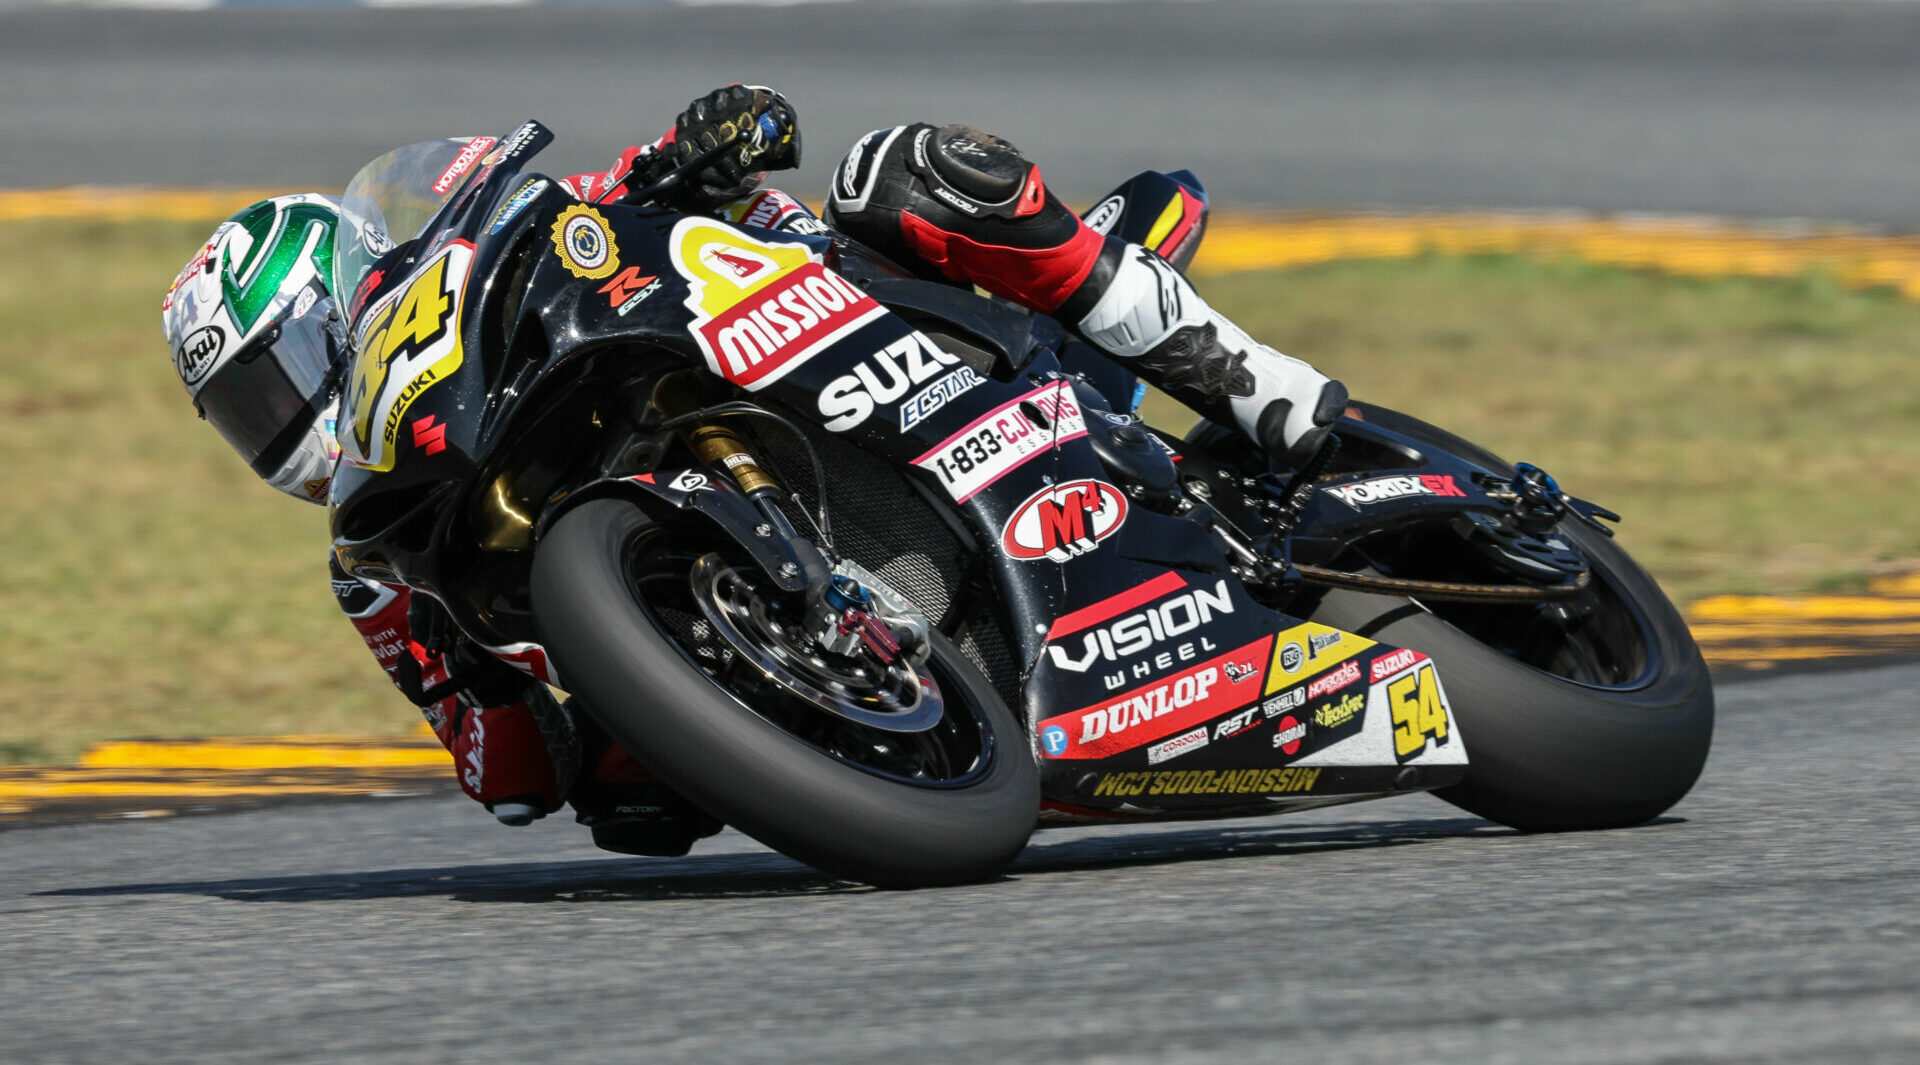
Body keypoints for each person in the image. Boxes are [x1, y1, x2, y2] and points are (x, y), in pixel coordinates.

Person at [160, 85, 1346, 848]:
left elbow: (614, 196)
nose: (275, 428)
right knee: (632, 802)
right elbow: (507, 777)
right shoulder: (375, 561)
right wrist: (525, 693)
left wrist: (698, 141)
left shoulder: (500, 268)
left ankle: (1248, 377)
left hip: (857, 317)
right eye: (243, 415)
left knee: (907, 166)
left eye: (274, 382)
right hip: (805, 702)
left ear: (338, 305)